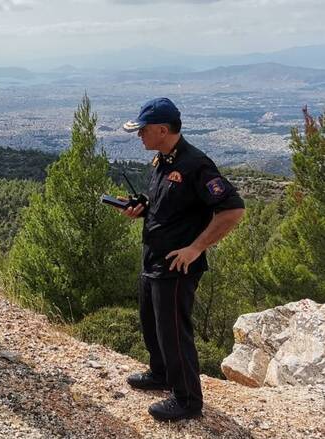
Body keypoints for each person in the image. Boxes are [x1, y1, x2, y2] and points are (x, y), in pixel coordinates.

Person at [119, 98, 245, 421]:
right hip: (153, 259)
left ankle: (187, 399)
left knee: (174, 331)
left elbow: (233, 210)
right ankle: (160, 373)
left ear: (163, 130)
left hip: (177, 265)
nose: (139, 136)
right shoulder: (162, 160)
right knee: (153, 324)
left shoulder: (195, 165)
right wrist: (143, 208)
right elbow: (170, 207)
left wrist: (196, 248)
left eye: (143, 129)